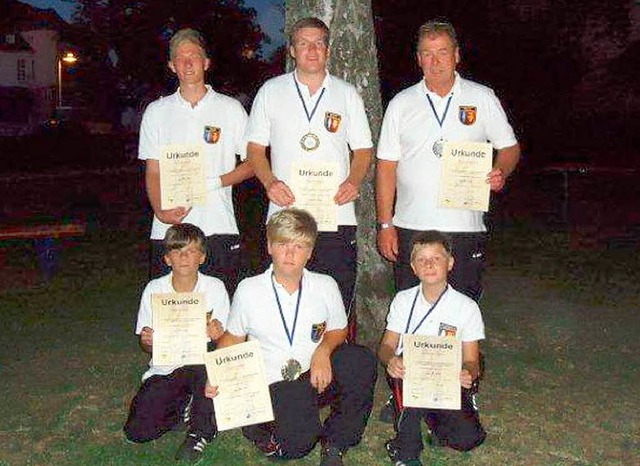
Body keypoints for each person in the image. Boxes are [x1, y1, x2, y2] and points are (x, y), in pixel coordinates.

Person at [206, 208, 377, 466]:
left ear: (310, 252)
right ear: (270, 246)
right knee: (297, 446)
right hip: (274, 384)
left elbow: (338, 329)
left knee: (360, 359)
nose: (290, 253)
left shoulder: (325, 284)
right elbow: (233, 338)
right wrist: (214, 374)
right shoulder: (249, 289)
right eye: (283, 244)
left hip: (315, 376)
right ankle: (261, 428)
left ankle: (336, 442)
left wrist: (323, 350)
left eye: (299, 246)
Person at [376, 19, 521, 302]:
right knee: (412, 310)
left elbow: (510, 148)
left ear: (456, 55)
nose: (435, 60)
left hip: (465, 225)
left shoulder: (482, 97)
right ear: (418, 59)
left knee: (463, 309)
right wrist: (385, 224)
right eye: (427, 53)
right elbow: (386, 167)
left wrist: (501, 170)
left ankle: (465, 349)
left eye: (442, 52)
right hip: (411, 225)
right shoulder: (401, 103)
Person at [245, 17, 373, 319]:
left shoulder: (346, 93)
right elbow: (254, 150)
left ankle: (332, 364)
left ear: (328, 50)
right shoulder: (271, 91)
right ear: (292, 50)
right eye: (304, 43)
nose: (312, 50)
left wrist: (353, 182)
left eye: (318, 43)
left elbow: (364, 150)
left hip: (335, 215)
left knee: (335, 303)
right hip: (285, 215)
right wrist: (270, 183)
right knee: (286, 302)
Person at [139, 27, 253, 294]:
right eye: (180, 57)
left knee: (220, 317)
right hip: (170, 230)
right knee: (174, 318)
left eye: (194, 55)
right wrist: (160, 210)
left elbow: (253, 164)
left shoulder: (231, 109)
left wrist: (212, 183)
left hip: (218, 226)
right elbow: (153, 171)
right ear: (171, 65)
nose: (188, 62)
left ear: (206, 62)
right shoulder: (156, 112)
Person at [378, 231, 486, 466]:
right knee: (409, 380)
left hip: (446, 378)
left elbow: (471, 359)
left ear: (450, 263)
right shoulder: (403, 300)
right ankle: (406, 453)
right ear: (413, 267)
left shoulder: (466, 307)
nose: (429, 264)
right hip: (408, 372)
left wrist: (468, 373)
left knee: (467, 439)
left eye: (436, 258)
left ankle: (427, 415)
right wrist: (391, 360)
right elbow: (386, 346)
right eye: (422, 260)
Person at [124, 223, 230, 462]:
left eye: (191, 251)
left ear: (202, 257)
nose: (184, 257)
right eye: (177, 251)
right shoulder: (154, 288)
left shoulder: (215, 287)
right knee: (137, 433)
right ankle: (181, 405)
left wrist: (219, 334)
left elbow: (225, 340)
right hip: (166, 367)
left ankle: (199, 433)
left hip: (202, 364)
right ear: (167, 258)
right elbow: (146, 346)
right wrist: (148, 341)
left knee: (206, 372)